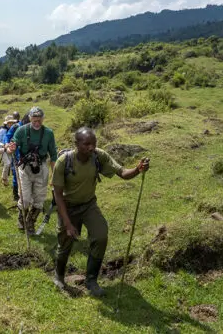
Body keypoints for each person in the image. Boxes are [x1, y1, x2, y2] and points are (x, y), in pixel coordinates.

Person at [52, 127, 150, 297]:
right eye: (86, 144)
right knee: (65, 244)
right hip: (67, 207)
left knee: (101, 235)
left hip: (89, 205)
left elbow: (123, 173)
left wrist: (137, 169)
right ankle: (59, 277)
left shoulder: (99, 156)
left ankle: (91, 280)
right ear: (76, 144)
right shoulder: (63, 162)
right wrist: (68, 223)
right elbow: (58, 196)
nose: (91, 147)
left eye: (94, 143)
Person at [11, 107, 57, 234]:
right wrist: (12, 148)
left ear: (43, 119)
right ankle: (22, 218)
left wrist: (54, 174)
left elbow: (53, 154)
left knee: (39, 199)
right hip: (25, 167)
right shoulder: (21, 130)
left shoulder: (48, 133)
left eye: (39, 120)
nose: (37, 123)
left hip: (41, 167)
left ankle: (30, 223)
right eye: (34, 120)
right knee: (25, 199)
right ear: (30, 118)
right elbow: (12, 145)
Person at [4, 112, 30, 201]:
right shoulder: (15, 126)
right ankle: (16, 195)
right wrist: (7, 144)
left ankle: (27, 194)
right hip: (17, 154)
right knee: (16, 174)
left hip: (30, 155)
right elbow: (7, 136)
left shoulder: (34, 127)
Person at [0, 115, 17, 186]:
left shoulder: (12, 130)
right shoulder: (2, 130)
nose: (10, 124)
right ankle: (4, 178)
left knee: (10, 163)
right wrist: (3, 145)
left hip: (9, 149)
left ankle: (4, 178)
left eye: (12, 123)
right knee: (7, 163)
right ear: (6, 123)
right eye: (9, 123)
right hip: (1, 149)